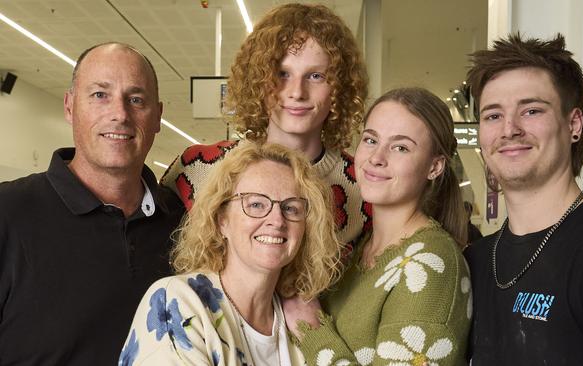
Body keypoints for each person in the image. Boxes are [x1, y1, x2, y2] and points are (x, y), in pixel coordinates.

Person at [464, 33, 583, 365]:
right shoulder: (474, 261)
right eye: (493, 115)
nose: (509, 129)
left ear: (574, 123)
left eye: (531, 110)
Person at [0, 43, 184, 365]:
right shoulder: (7, 213)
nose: (120, 114)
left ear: (157, 116)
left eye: (136, 99)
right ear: (70, 107)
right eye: (100, 95)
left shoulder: (185, 225)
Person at [283, 87, 472, 365]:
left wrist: (311, 329)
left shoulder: (432, 265)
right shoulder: (359, 250)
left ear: (435, 166)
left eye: (400, 147)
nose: (376, 157)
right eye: (370, 140)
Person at [160, 3, 370, 247]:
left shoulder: (364, 184)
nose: (297, 92)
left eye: (316, 76)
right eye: (282, 74)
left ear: (339, 87)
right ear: (258, 80)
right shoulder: (196, 168)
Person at [120, 143, 341, 365]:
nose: (276, 220)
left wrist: (317, 335)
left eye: (291, 208)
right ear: (221, 220)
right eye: (256, 204)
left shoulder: (302, 323)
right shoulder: (177, 303)